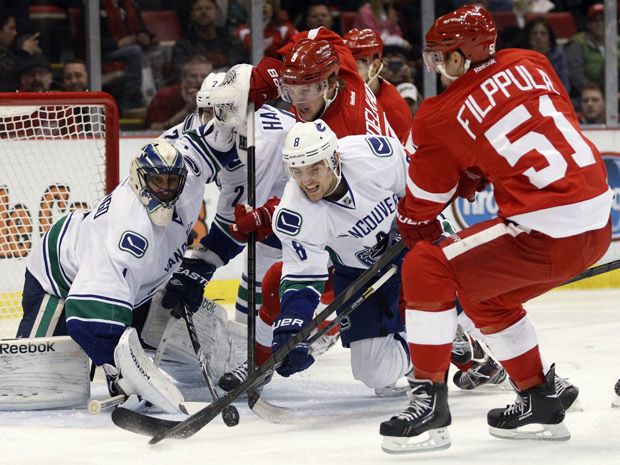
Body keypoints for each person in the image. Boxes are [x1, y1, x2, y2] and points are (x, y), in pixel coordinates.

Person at [379, 5, 612, 454]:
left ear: (464, 55)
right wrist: (484, 165)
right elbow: (549, 123)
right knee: (487, 296)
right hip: (598, 221)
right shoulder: (533, 61)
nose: (437, 67)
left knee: (427, 266)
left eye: (443, 57)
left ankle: (428, 403)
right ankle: (537, 397)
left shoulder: (438, 110)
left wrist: (410, 221)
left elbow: (425, 199)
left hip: (545, 232)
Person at [14, 115, 246, 412]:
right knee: (35, 386)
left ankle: (233, 360)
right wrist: (120, 371)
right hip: (58, 282)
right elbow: (90, 322)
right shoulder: (129, 230)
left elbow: (208, 141)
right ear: (140, 179)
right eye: (157, 181)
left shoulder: (188, 185)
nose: (165, 189)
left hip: (133, 283)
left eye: (171, 182)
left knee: (173, 321)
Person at [266, 119, 412, 391]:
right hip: (360, 275)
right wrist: (292, 327)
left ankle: (455, 337)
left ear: (334, 159)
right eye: (296, 170)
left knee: (468, 304)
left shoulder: (374, 155)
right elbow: (301, 275)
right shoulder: (293, 212)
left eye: (314, 168)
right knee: (372, 372)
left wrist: (411, 225)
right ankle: (421, 346)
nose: (305, 181)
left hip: (414, 249)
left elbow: (419, 188)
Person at [344, 28, 413, 149]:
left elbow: (392, 161)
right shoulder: (340, 90)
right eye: (343, 67)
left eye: (353, 68)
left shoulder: (394, 109)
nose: (345, 75)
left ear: (374, 66)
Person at [170, 0, 248, 82]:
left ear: (217, 13)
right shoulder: (184, 45)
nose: (203, 12)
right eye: (198, 9)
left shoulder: (231, 41)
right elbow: (179, 75)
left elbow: (243, 70)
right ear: (192, 15)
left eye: (208, 8)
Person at [565, 3, 620, 111]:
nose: (599, 24)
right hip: (584, 95)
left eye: (603, 20)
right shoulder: (577, 43)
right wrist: (597, 94)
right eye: (595, 21)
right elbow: (576, 76)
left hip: (614, 94)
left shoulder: (617, 42)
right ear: (588, 24)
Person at [145, 56, 213, 130]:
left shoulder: (218, 98)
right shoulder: (165, 96)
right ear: (183, 78)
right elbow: (151, 130)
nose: (199, 80)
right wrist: (187, 110)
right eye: (193, 76)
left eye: (204, 76)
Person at [522, 17, 570, 94]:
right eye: (534, 33)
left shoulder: (558, 55)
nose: (538, 37)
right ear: (528, 37)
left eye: (543, 33)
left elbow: (565, 85)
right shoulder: (521, 56)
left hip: (555, 95)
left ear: (549, 37)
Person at [0, 10, 42, 92]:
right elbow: (6, 74)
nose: (15, 33)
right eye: (11, 28)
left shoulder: (7, 52)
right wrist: (24, 53)